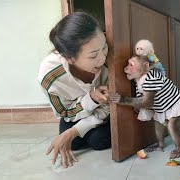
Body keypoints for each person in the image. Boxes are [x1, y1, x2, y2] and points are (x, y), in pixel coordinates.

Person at [38, 12, 110, 168]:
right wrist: (90, 99)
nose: (103, 58)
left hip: (103, 111)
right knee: (74, 144)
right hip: (74, 111)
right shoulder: (50, 76)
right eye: (93, 56)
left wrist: (74, 131)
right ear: (69, 58)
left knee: (98, 140)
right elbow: (65, 112)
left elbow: (108, 107)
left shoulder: (111, 59)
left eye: (104, 47)